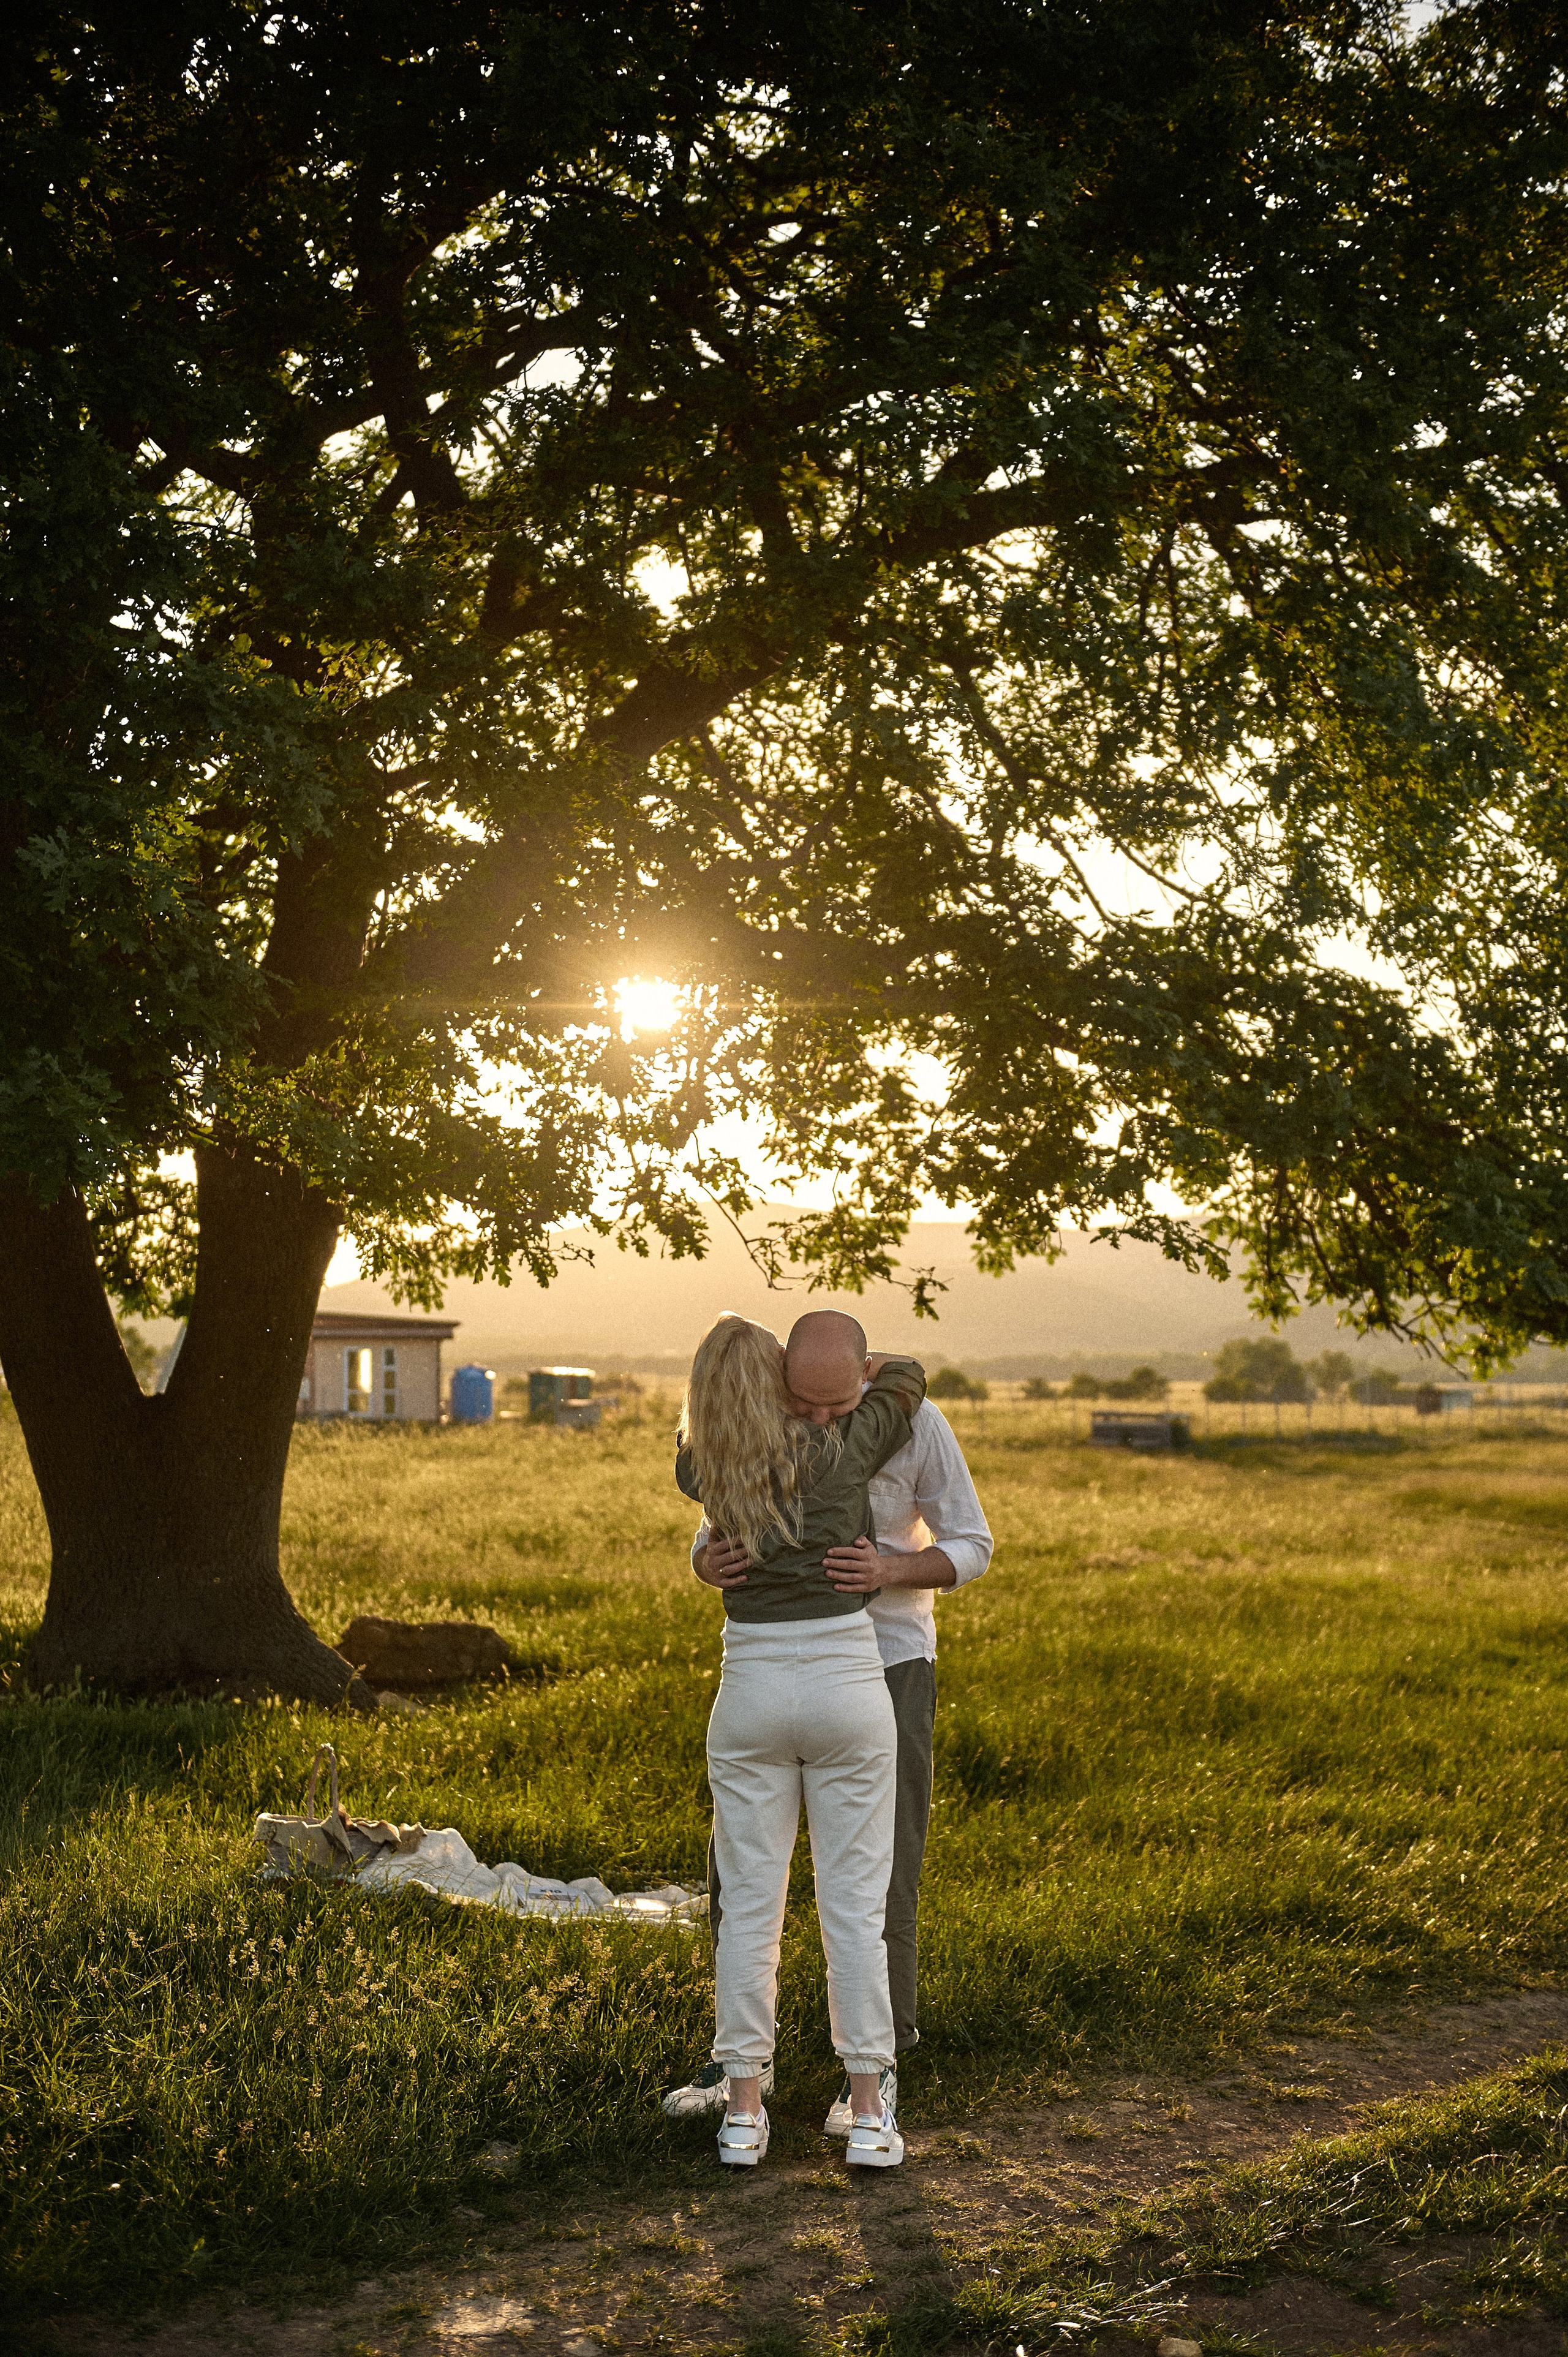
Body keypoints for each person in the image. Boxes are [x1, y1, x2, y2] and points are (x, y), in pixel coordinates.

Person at [664, 1307, 993, 2137]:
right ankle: (742, 2064)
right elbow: (718, 1522)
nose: (814, 1420)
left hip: (889, 1664)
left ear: (864, 1377)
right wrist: (706, 1562)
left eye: (834, 1407)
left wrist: (889, 1567)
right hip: (777, 1666)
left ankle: (879, 2066)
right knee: (739, 1878)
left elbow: (973, 1544)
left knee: (882, 1875)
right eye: (799, 1403)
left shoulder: (917, 1425)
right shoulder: (774, 1421)